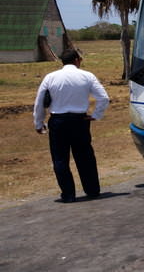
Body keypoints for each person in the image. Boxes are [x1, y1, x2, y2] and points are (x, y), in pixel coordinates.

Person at [33, 49, 109, 203]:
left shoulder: (50, 77)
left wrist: (38, 122)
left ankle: (68, 195)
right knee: (85, 157)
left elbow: (40, 102)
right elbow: (103, 98)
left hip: (58, 121)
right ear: (76, 60)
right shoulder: (87, 76)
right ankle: (92, 190)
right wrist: (95, 115)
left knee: (60, 159)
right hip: (80, 121)